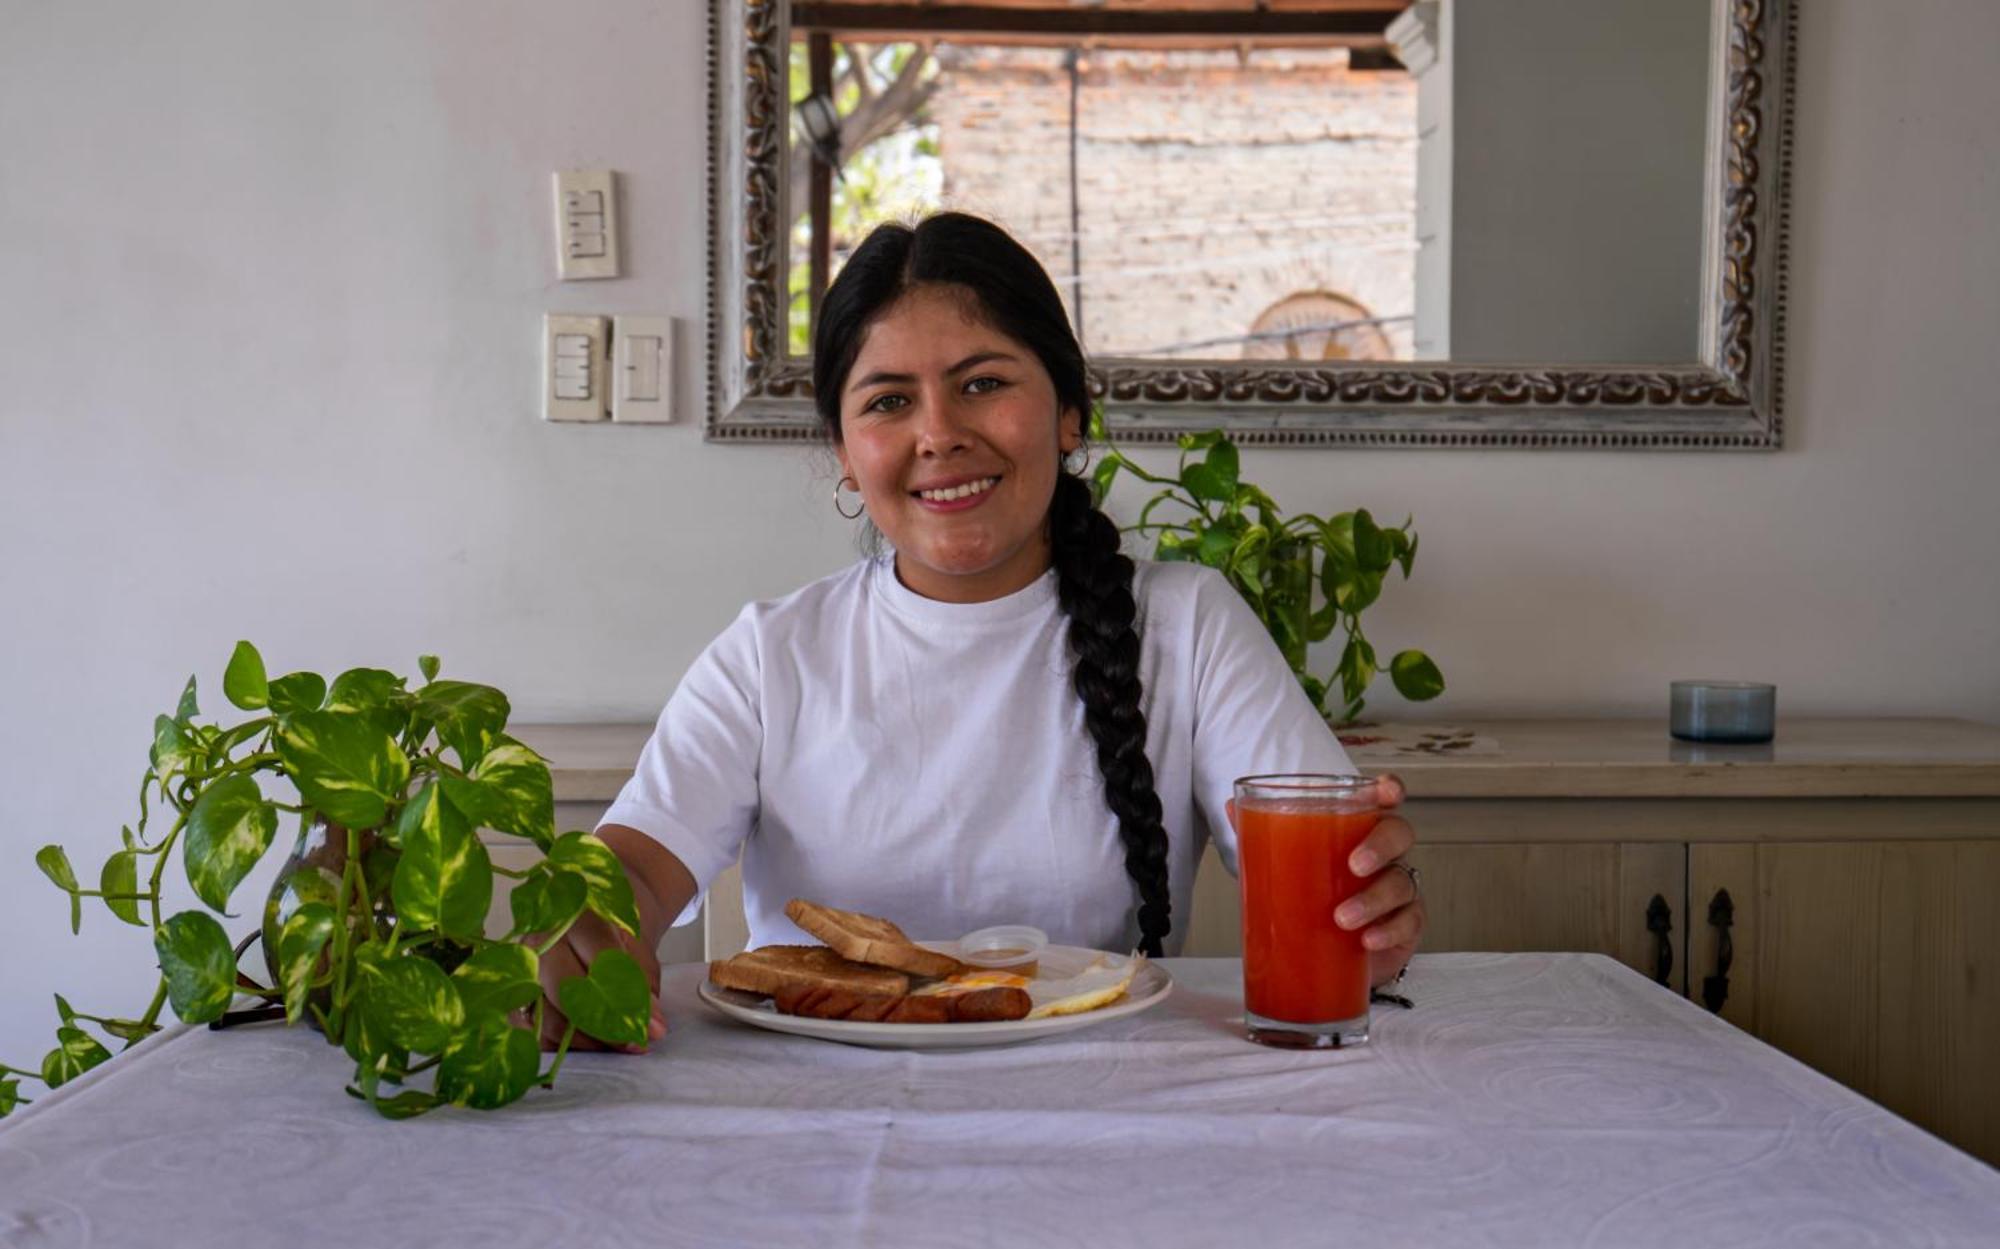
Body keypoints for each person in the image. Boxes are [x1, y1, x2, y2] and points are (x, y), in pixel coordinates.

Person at [538, 212, 1425, 1051]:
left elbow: (1329, 873)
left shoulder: (1190, 625)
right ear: (845, 453)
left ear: (1069, 413)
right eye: (888, 401)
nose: (939, 434)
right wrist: (593, 929)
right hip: (818, 1114)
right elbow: (642, 867)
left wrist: (1372, 916)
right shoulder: (771, 653)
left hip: (1105, 1098)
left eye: (983, 384)